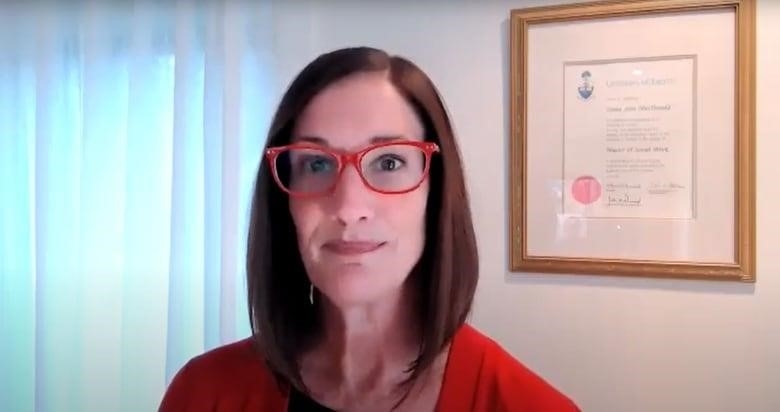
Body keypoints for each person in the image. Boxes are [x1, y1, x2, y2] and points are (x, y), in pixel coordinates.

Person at [159, 46, 579, 412]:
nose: (348, 207)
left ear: (436, 192)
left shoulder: (529, 405)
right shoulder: (202, 393)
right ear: (283, 202)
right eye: (316, 163)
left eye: (389, 162)